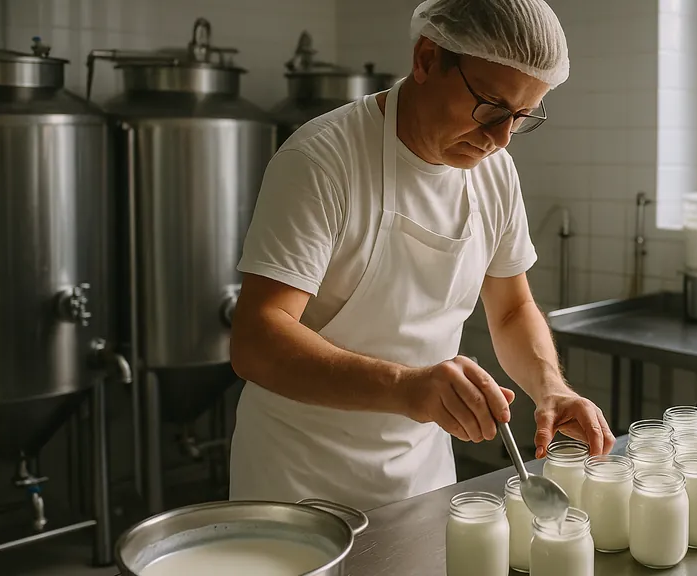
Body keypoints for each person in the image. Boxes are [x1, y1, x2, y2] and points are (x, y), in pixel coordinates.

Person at [228, 0, 615, 511]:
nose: (501, 139)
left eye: (520, 117)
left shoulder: (495, 173)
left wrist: (551, 388)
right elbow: (257, 339)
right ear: (427, 59)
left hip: (420, 480)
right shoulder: (322, 160)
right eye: (491, 107)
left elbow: (512, 309)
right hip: (300, 482)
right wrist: (407, 387)